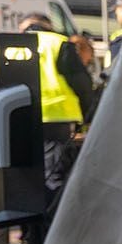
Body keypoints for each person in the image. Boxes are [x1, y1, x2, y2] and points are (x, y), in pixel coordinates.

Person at [18, 14, 95, 196]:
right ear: (48, 26)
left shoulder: (10, 45)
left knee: (24, 174)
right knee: (53, 174)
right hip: (56, 118)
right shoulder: (58, 43)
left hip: (19, 118)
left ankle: (30, 213)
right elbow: (81, 83)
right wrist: (88, 115)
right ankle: (53, 213)